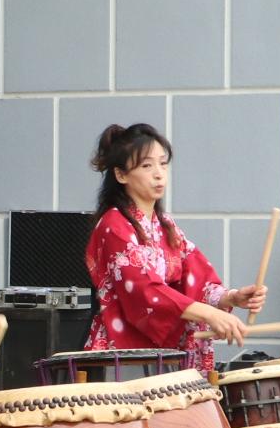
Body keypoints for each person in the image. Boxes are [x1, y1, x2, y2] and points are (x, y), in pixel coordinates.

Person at [83, 123, 264, 373]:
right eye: (147, 165)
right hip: (122, 352)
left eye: (163, 163)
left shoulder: (165, 224)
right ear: (121, 175)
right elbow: (143, 290)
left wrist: (230, 297)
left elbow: (196, 276)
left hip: (163, 353)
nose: (159, 174)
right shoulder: (114, 225)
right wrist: (208, 314)